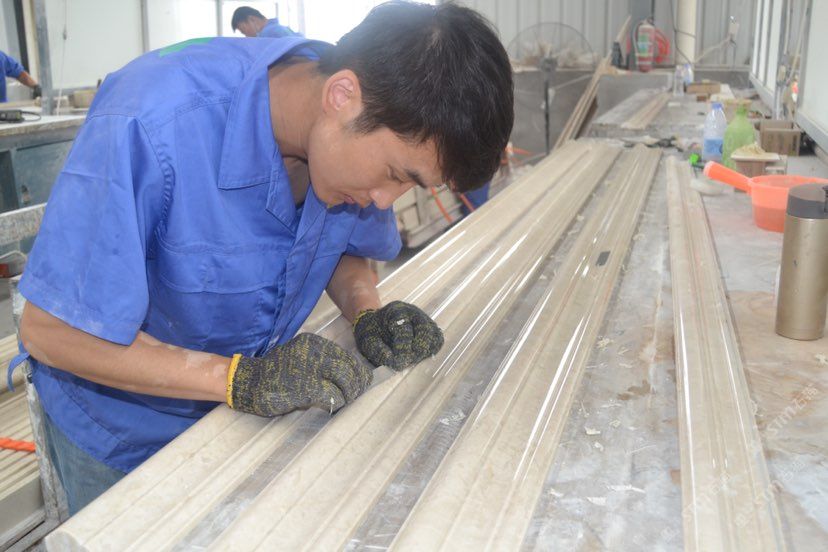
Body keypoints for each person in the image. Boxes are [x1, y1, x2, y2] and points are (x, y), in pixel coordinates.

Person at [11, 1, 513, 514]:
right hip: (122, 437)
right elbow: (51, 332)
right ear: (342, 96)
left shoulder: (349, 124)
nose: (386, 202)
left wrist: (366, 312)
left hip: (236, 422)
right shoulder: (149, 120)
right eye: (396, 175)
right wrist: (238, 379)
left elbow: (338, 245)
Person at [231, 6, 300, 38]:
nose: (246, 36)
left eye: (243, 30)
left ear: (252, 19)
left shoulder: (269, 34)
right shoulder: (280, 29)